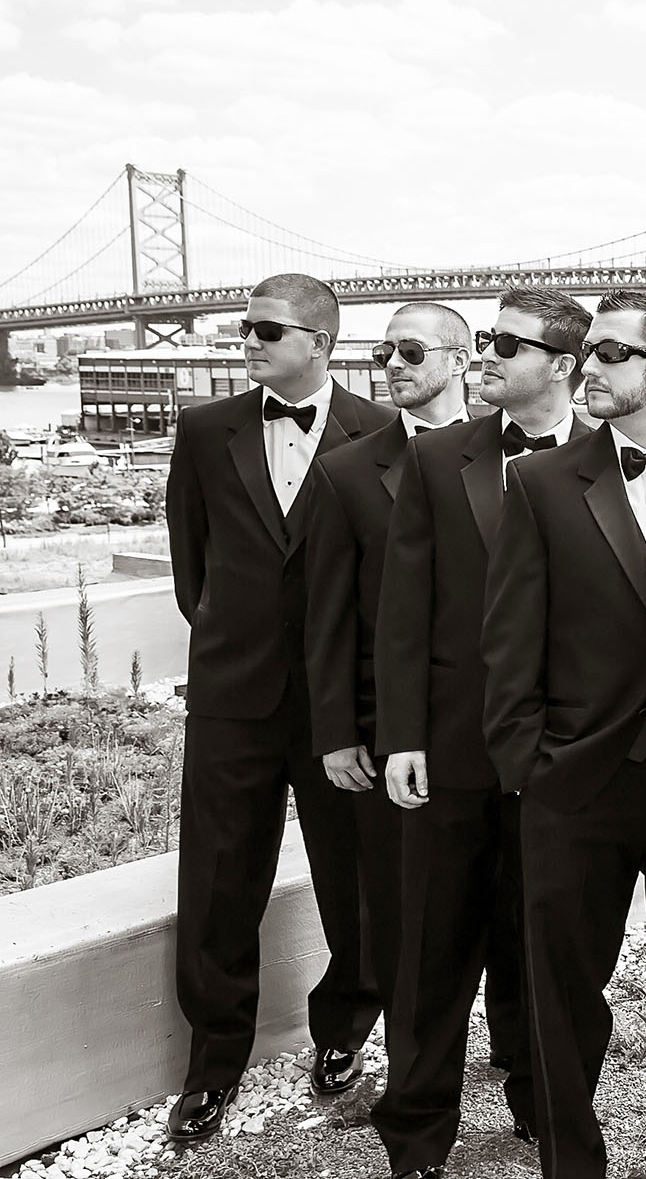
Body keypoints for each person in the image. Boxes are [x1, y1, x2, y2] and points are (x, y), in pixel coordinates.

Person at [483, 290, 646, 1179]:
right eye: (587, 353)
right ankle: (569, 1158)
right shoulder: (540, 482)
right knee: (558, 992)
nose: (586, 367)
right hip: (576, 782)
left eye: (608, 354)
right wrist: (528, 764)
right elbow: (510, 636)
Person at [163, 272, 394, 1142]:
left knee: (358, 885)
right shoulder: (204, 429)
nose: (247, 341)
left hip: (346, 710)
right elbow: (193, 566)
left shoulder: (381, 432)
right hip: (234, 698)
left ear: (321, 343)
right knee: (219, 885)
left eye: (266, 329)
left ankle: (344, 1031)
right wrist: (234, 641)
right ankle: (213, 1066)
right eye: (243, 327)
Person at [372, 288, 594, 1179]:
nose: (487, 353)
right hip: (452, 749)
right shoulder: (438, 460)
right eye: (487, 338)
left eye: (509, 342)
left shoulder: (616, 459)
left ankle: (545, 1104)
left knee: (549, 949)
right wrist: (402, 737)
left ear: (564, 365)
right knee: (432, 950)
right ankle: (417, 1133)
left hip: (565, 756)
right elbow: (402, 612)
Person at [305, 301, 475, 1055]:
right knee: (403, 915)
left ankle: (516, 1055)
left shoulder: (528, 459)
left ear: (462, 359)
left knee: (513, 907)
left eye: (411, 350)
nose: (393, 365)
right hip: (387, 733)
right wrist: (338, 733)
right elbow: (328, 615)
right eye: (384, 354)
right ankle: (409, 1067)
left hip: (499, 726)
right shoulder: (346, 470)